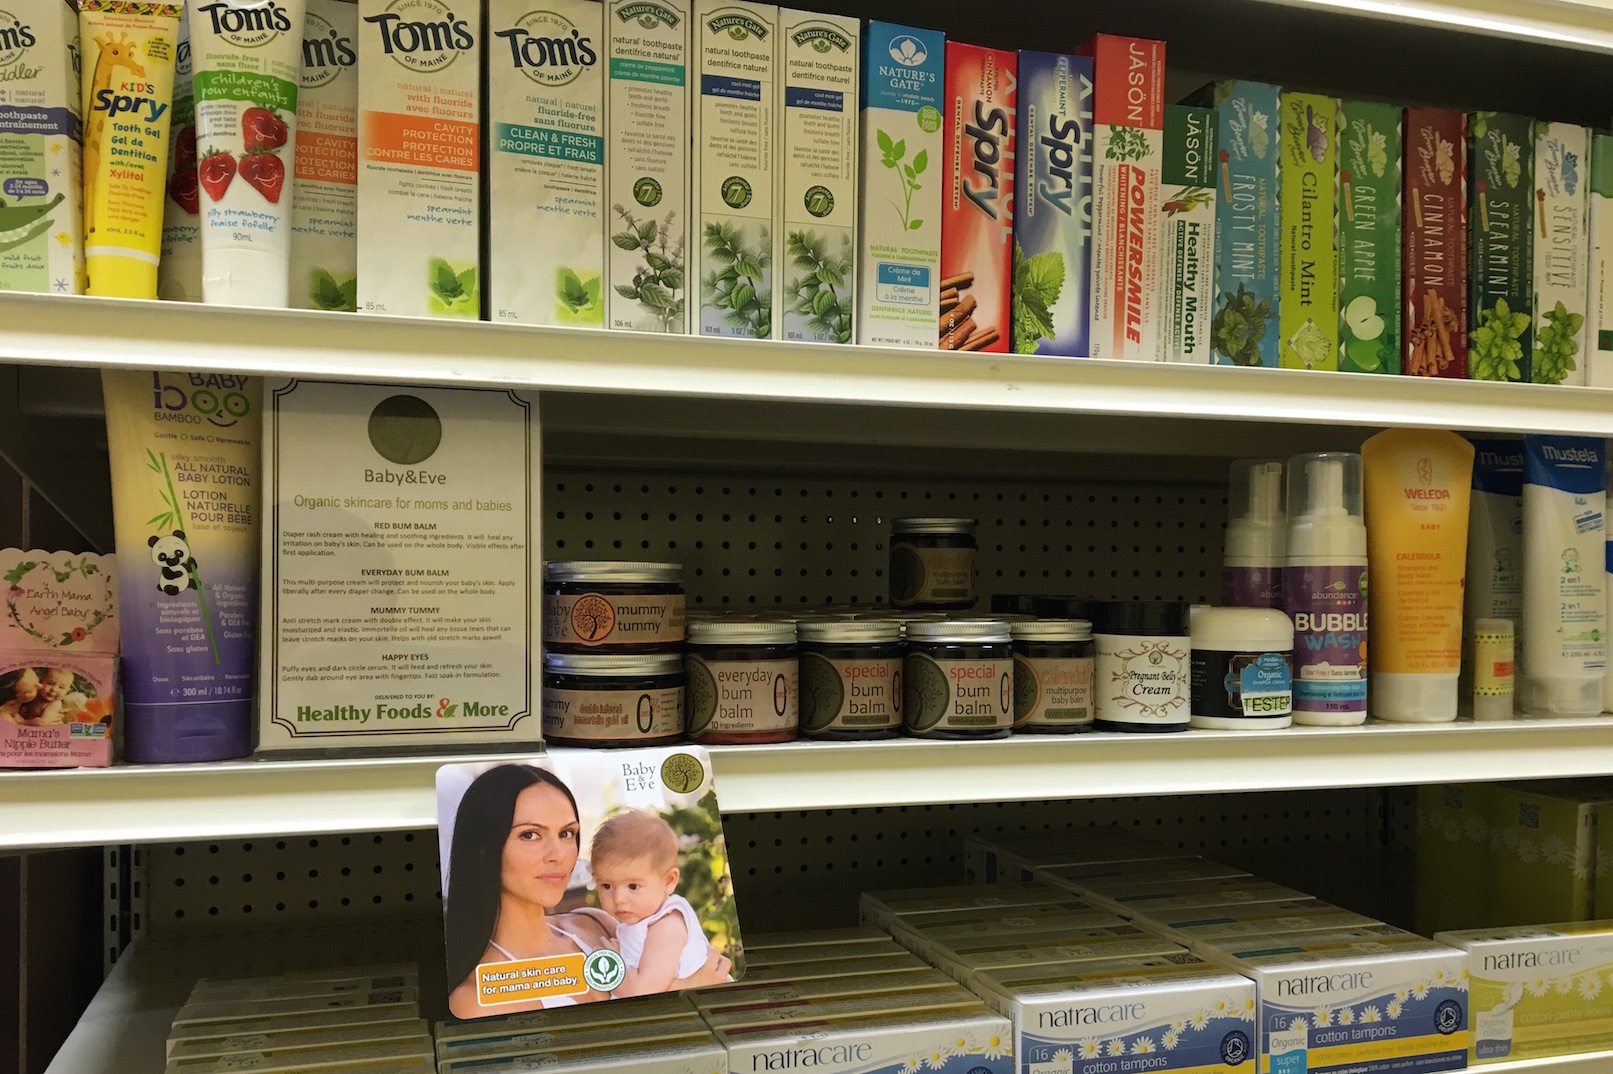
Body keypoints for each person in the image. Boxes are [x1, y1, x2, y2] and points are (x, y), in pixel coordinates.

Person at [444, 764, 731, 1018]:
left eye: (566, 833)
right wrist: (688, 989)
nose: (558, 854)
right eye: (529, 834)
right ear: (483, 850)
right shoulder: (476, 999)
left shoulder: (594, 924)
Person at [590, 808, 716, 996]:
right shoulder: (644, 921)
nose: (618, 899)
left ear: (669, 881)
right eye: (606, 886)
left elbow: (642, 992)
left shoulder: (668, 925)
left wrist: (613, 963)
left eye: (633, 886)